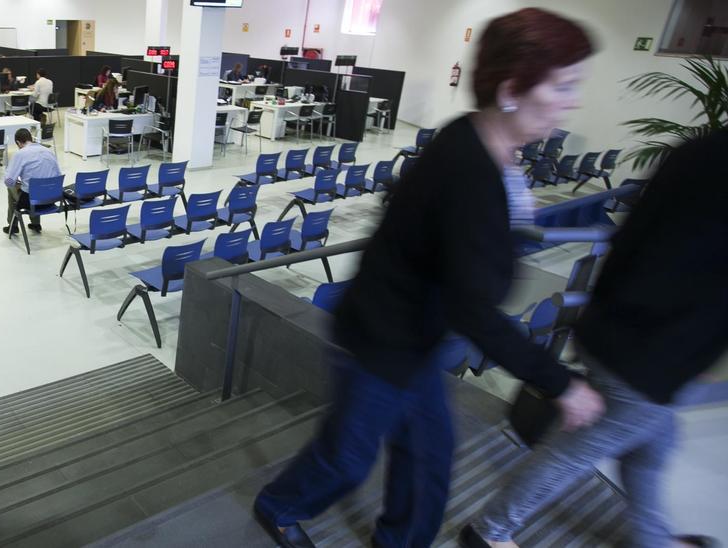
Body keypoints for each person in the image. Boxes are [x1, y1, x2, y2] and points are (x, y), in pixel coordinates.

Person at [252, 8, 605, 548]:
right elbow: (472, 303)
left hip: (420, 335)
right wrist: (558, 383)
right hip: (381, 338)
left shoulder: (486, 146)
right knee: (348, 458)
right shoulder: (467, 167)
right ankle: (277, 506)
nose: (571, 101)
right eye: (562, 86)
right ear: (512, 89)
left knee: (428, 460)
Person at [459, 134, 728, 547]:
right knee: (574, 453)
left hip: (620, 327)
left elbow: (629, 233)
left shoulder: (698, 151)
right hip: (657, 355)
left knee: (651, 450)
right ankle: (488, 530)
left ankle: (654, 540)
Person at [2, 128, 60, 234]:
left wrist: (17, 182)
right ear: (31, 139)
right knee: (35, 187)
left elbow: (9, 181)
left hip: (32, 202)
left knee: (11, 188)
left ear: (18, 143)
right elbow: (58, 174)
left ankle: (12, 226)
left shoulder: (20, 154)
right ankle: (35, 224)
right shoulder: (48, 151)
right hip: (52, 198)